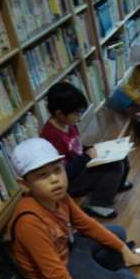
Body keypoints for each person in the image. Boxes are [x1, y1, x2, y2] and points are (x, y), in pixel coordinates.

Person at [7, 138, 140, 279]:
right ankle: (111, 264)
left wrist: (124, 250)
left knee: (118, 233)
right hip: (61, 269)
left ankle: (109, 261)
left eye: (57, 170)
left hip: (68, 245)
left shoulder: (59, 196)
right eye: (42, 175)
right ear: (24, 185)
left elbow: (86, 224)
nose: (55, 179)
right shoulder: (29, 223)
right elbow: (56, 275)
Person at [41, 82, 132, 219]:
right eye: (76, 113)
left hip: (80, 165)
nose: (79, 117)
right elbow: (63, 172)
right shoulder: (51, 137)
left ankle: (117, 185)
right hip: (70, 182)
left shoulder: (68, 123)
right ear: (59, 113)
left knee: (121, 156)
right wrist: (86, 157)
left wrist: (89, 149)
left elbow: (75, 147)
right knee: (114, 167)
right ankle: (98, 204)